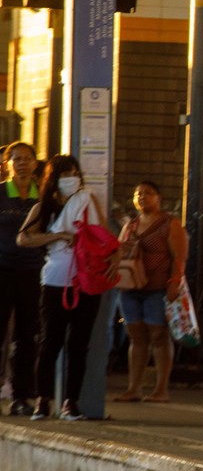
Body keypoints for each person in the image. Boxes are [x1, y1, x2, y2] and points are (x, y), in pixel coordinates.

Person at [17, 155, 109, 421]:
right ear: (54, 178)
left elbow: (102, 234)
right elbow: (23, 238)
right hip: (55, 280)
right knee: (50, 342)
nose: (72, 178)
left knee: (79, 344)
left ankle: (71, 402)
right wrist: (58, 235)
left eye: (74, 173)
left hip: (86, 280)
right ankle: (43, 400)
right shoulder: (43, 208)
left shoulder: (88, 201)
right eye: (65, 173)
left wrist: (108, 255)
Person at [111, 181, 188, 403]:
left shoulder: (169, 224)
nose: (142, 197)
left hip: (158, 287)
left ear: (158, 197)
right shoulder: (130, 226)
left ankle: (160, 389)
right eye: (138, 194)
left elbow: (179, 256)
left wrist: (175, 282)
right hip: (131, 287)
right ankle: (133, 387)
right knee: (136, 336)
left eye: (147, 193)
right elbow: (118, 252)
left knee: (158, 337)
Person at [0, 142, 43, 415]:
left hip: (34, 272)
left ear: (35, 164)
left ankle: (20, 396)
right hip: (2, 269)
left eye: (27, 159)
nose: (22, 164)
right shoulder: (1, 192)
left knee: (28, 337)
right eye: (16, 159)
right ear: (8, 164)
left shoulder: (44, 196)